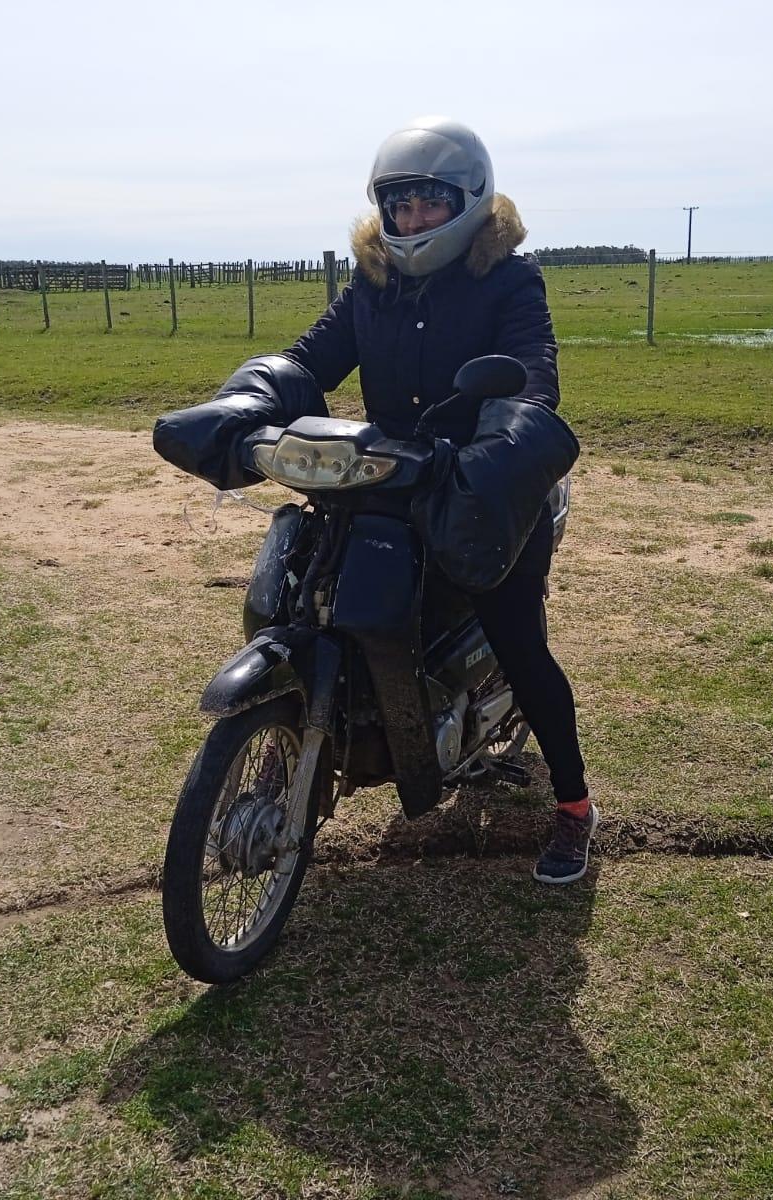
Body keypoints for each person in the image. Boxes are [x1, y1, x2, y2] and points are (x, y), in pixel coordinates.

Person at [275, 116, 596, 884]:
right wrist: (258, 390)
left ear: (470, 201)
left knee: (518, 640)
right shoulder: (373, 284)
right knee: (314, 599)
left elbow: (532, 368)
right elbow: (314, 355)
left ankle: (576, 808)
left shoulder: (508, 278)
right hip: (384, 483)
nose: (412, 220)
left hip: (481, 487)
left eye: (430, 202)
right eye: (400, 205)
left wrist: (503, 439)